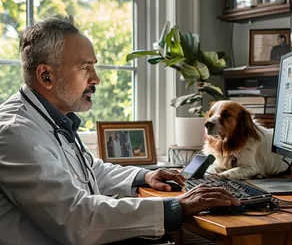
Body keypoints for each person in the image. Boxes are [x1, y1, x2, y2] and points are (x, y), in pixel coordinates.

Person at [0, 15, 240, 245]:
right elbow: (77, 220)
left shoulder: (53, 120)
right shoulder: (15, 133)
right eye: (85, 68)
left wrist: (144, 176)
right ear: (46, 76)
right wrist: (177, 206)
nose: (96, 79)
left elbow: (89, 171)